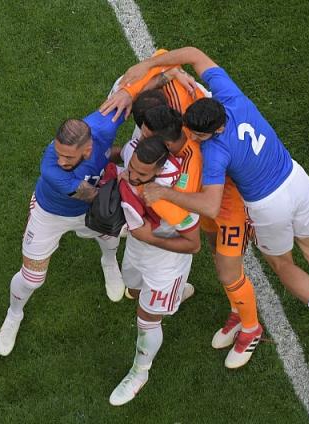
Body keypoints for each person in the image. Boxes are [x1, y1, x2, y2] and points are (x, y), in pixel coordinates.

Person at [121, 47, 309, 358]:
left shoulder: (214, 152)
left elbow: (209, 204)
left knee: (251, 269)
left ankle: (264, 326)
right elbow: (192, 54)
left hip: (252, 205)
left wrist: (162, 193)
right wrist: (170, 70)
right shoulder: (229, 99)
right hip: (294, 179)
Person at [102, 60, 264, 368]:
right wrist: (168, 72)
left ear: (162, 139)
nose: (142, 139)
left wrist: (160, 194)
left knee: (228, 272)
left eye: (146, 135)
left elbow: (204, 208)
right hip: (209, 199)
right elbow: (165, 55)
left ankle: (251, 328)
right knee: (219, 260)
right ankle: (237, 311)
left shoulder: (191, 164)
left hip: (227, 205)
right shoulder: (182, 108)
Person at [0, 110, 127, 357]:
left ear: (87, 148)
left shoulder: (103, 127)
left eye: (68, 156)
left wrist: (131, 92)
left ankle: (109, 263)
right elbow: (97, 198)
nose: (60, 161)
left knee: (110, 238)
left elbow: (129, 96)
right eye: (58, 152)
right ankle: (14, 314)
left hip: (87, 212)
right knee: (32, 278)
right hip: (50, 214)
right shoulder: (51, 169)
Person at [108, 135, 201, 405]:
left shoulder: (174, 200)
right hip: (137, 248)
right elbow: (119, 156)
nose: (133, 176)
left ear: (159, 171)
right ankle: (177, 294)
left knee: (147, 318)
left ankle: (140, 372)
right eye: (132, 168)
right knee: (134, 289)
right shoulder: (134, 154)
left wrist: (149, 238)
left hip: (166, 262)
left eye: (141, 174)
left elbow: (193, 245)